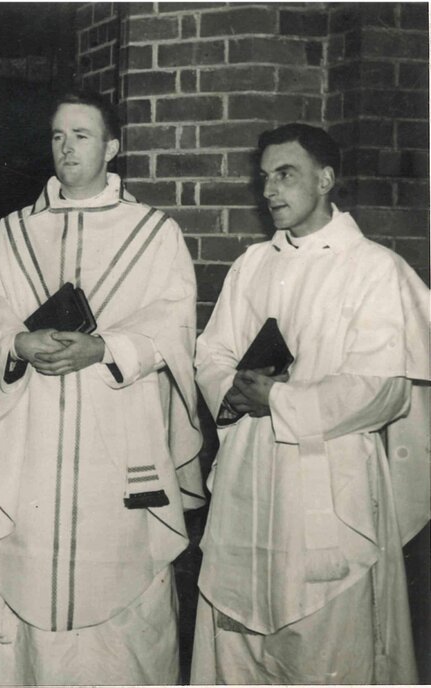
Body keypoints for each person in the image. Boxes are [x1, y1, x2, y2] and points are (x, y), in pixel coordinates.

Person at [0, 92, 205, 685]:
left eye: (81, 135)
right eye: (57, 136)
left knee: (122, 581)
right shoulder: (16, 232)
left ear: (112, 147)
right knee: (29, 567)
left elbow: (173, 324)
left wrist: (105, 348)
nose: (66, 148)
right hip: (35, 432)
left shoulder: (153, 233)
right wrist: (19, 345)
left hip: (117, 432)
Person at [192, 123, 430, 684]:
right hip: (250, 476)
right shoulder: (252, 265)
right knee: (239, 648)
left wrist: (279, 399)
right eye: (265, 178)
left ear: (325, 179)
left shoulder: (374, 269)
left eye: (286, 175)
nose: (270, 190)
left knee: (326, 649)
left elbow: (385, 390)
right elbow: (212, 353)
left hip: (328, 483)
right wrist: (233, 387)